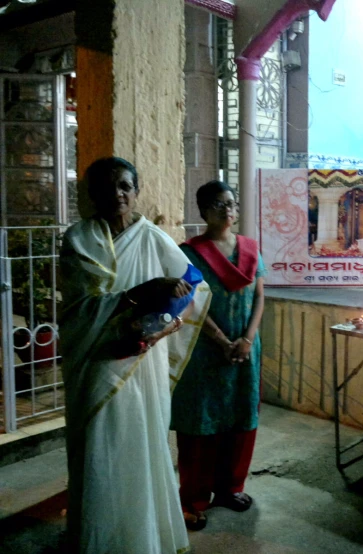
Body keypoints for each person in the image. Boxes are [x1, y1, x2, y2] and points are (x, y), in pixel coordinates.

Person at [60, 157, 211, 553]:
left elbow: (195, 286)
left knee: (143, 444)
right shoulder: (78, 239)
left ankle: (145, 539)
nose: (117, 194)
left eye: (125, 186)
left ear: (136, 190)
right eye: (106, 187)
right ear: (91, 194)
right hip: (97, 362)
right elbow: (77, 312)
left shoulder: (152, 237)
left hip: (144, 361)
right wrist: (143, 292)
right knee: (100, 449)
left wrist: (161, 327)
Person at [171, 180, 266, 531]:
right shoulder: (190, 253)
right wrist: (223, 341)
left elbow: (259, 296)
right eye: (216, 204)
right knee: (201, 423)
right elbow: (192, 303)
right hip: (205, 351)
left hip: (245, 348)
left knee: (242, 419)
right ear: (202, 211)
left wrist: (247, 338)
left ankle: (230, 488)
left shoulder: (251, 249)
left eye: (231, 203)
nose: (226, 210)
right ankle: (193, 500)